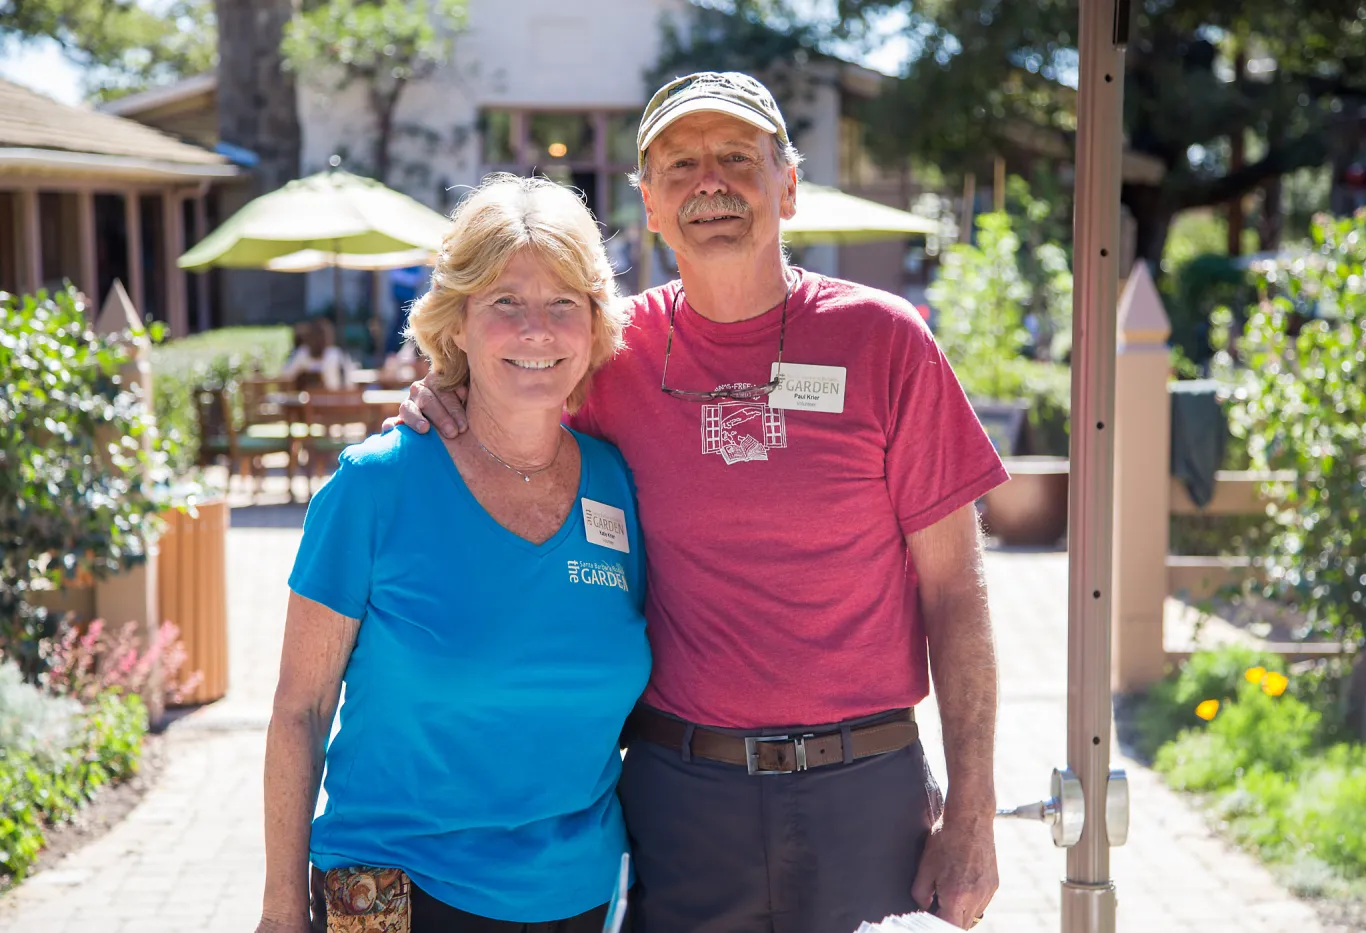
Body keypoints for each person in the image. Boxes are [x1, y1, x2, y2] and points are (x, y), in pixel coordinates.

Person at [400, 72, 1006, 933]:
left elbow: (958, 595)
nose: (709, 183)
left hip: (865, 788)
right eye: (680, 165)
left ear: (788, 186)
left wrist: (973, 815)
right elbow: (507, 403)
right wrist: (441, 390)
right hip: (683, 795)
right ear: (648, 203)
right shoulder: (610, 356)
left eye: (736, 157)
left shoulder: (887, 342)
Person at [258, 174, 649, 933]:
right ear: (457, 322)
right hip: (399, 893)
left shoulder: (618, 484)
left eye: (563, 302)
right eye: (505, 301)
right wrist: (280, 910)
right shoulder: (376, 488)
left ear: (594, 322)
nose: (536, 328)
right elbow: (299, 710)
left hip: (579, 895)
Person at [282, 316, 356, 390]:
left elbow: (349, 384)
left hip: (334, 398)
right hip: (307, 399)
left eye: (323, 336)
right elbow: (286, 376)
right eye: (317, 335)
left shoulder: (337, 354)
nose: (320, 340)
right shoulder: (302, 353)